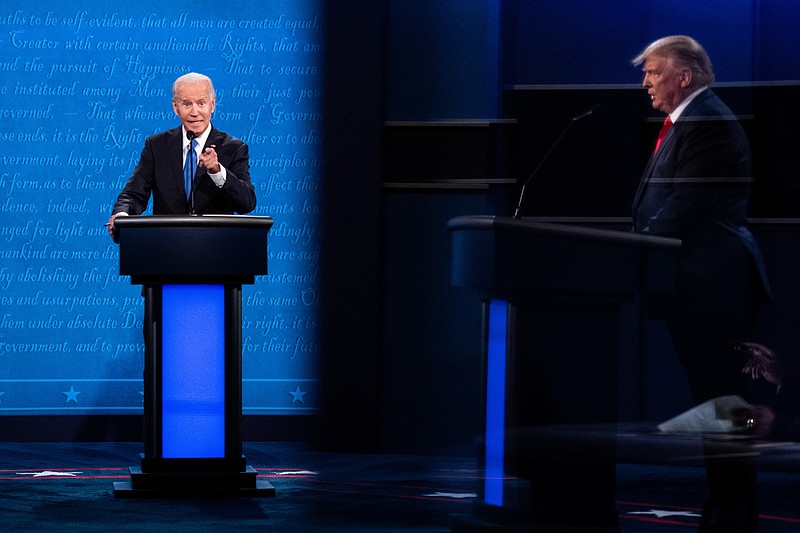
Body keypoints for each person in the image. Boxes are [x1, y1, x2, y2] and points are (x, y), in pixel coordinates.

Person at [631, 36, 770, 533]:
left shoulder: (707, 121)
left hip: (715, 286)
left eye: (652, 72)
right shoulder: (689, 120)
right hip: (694, 284)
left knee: (725, 404)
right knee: (716, 404)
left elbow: (687, 208)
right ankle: (728, 506)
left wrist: (639, 243)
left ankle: (734, 511)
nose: (645, 82)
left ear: (683, 76)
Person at [107, 72, 256, 236]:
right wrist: (122, 216)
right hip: (167, 247)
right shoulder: (157, 146)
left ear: (212, 105)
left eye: (201, 103)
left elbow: (246, 203)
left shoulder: (233, 148)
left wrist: (217, 171)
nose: (194, 112)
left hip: (215, 248)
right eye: (187, 104)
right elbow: (134, 194)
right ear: (175, 107)